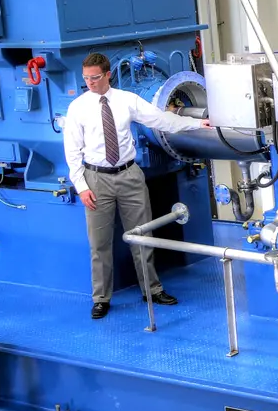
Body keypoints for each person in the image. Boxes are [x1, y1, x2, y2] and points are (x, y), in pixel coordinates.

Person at [63, 52, 210, 319]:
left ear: (108, 75)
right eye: (86, 79)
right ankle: (101, 298)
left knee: (142, 235)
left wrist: (197, 123)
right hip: (96, 179)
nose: (90, 83)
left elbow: (161, 120)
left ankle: (152, 290)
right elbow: (72, 151)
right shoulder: (78, 107)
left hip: (130, 176)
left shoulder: (126, 101)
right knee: (99, 243)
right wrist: (82, 186)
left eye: (95, 77)